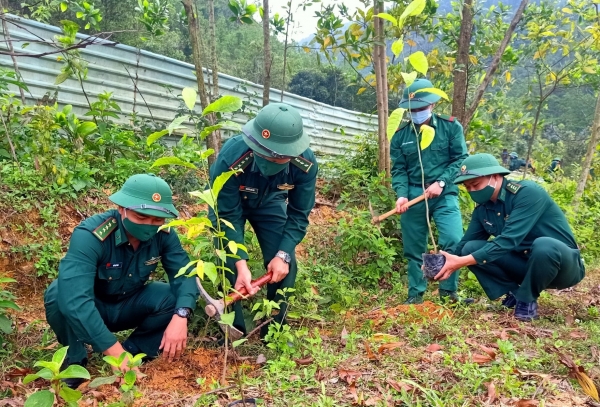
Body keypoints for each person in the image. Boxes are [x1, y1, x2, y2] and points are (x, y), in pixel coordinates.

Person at [44, 174, 199, 388]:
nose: (149, 225)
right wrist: (112, 349)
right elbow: (76, 300)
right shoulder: (91, 235)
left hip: (129, 304)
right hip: (93, 307)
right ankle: (75, 359)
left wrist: (181, 316)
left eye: (157, 219)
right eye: (141, 217)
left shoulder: (164, 234)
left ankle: (134, 353)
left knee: (176, 298)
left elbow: (184, 274)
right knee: (57, 293)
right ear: (121, 208)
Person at [208, 102, 318, 337]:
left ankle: (274, 332)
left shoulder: (304, 164)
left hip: (269, 202)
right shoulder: (232, 157)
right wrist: (241, 264)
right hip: (233, 202)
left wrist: (283, 254)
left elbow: (299, 213)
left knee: (285, 264)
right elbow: (227, 214)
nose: (269, 161)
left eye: (278, 159)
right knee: (228, 260)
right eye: (263, 153)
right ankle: (231, 331)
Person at [434, 154, 585, 321]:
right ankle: (516, 293)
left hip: (562, 267)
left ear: (495, 176)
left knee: (544, 245)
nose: (472, 191)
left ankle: (527, 300)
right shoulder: (483, 210)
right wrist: (439, 262)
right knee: (470, 248)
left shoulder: (527, 193)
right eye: (468, 187)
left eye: (475, 184)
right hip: (523, 264)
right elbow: (462, 246)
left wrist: (463, 261)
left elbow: (508, 240)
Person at [390, 78, 469, 304]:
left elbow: (460, 159)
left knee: (453, 239)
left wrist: (442, 182)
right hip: (414, 196)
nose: (416, 113)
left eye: (421, 108)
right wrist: (402, 194)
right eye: (412, 109)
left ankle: (448, 293)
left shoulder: (450, 127)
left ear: (432, 105)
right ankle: (415, 295)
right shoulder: (401, 135)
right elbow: (399, 169)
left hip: (444, 194)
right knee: (414, 248)